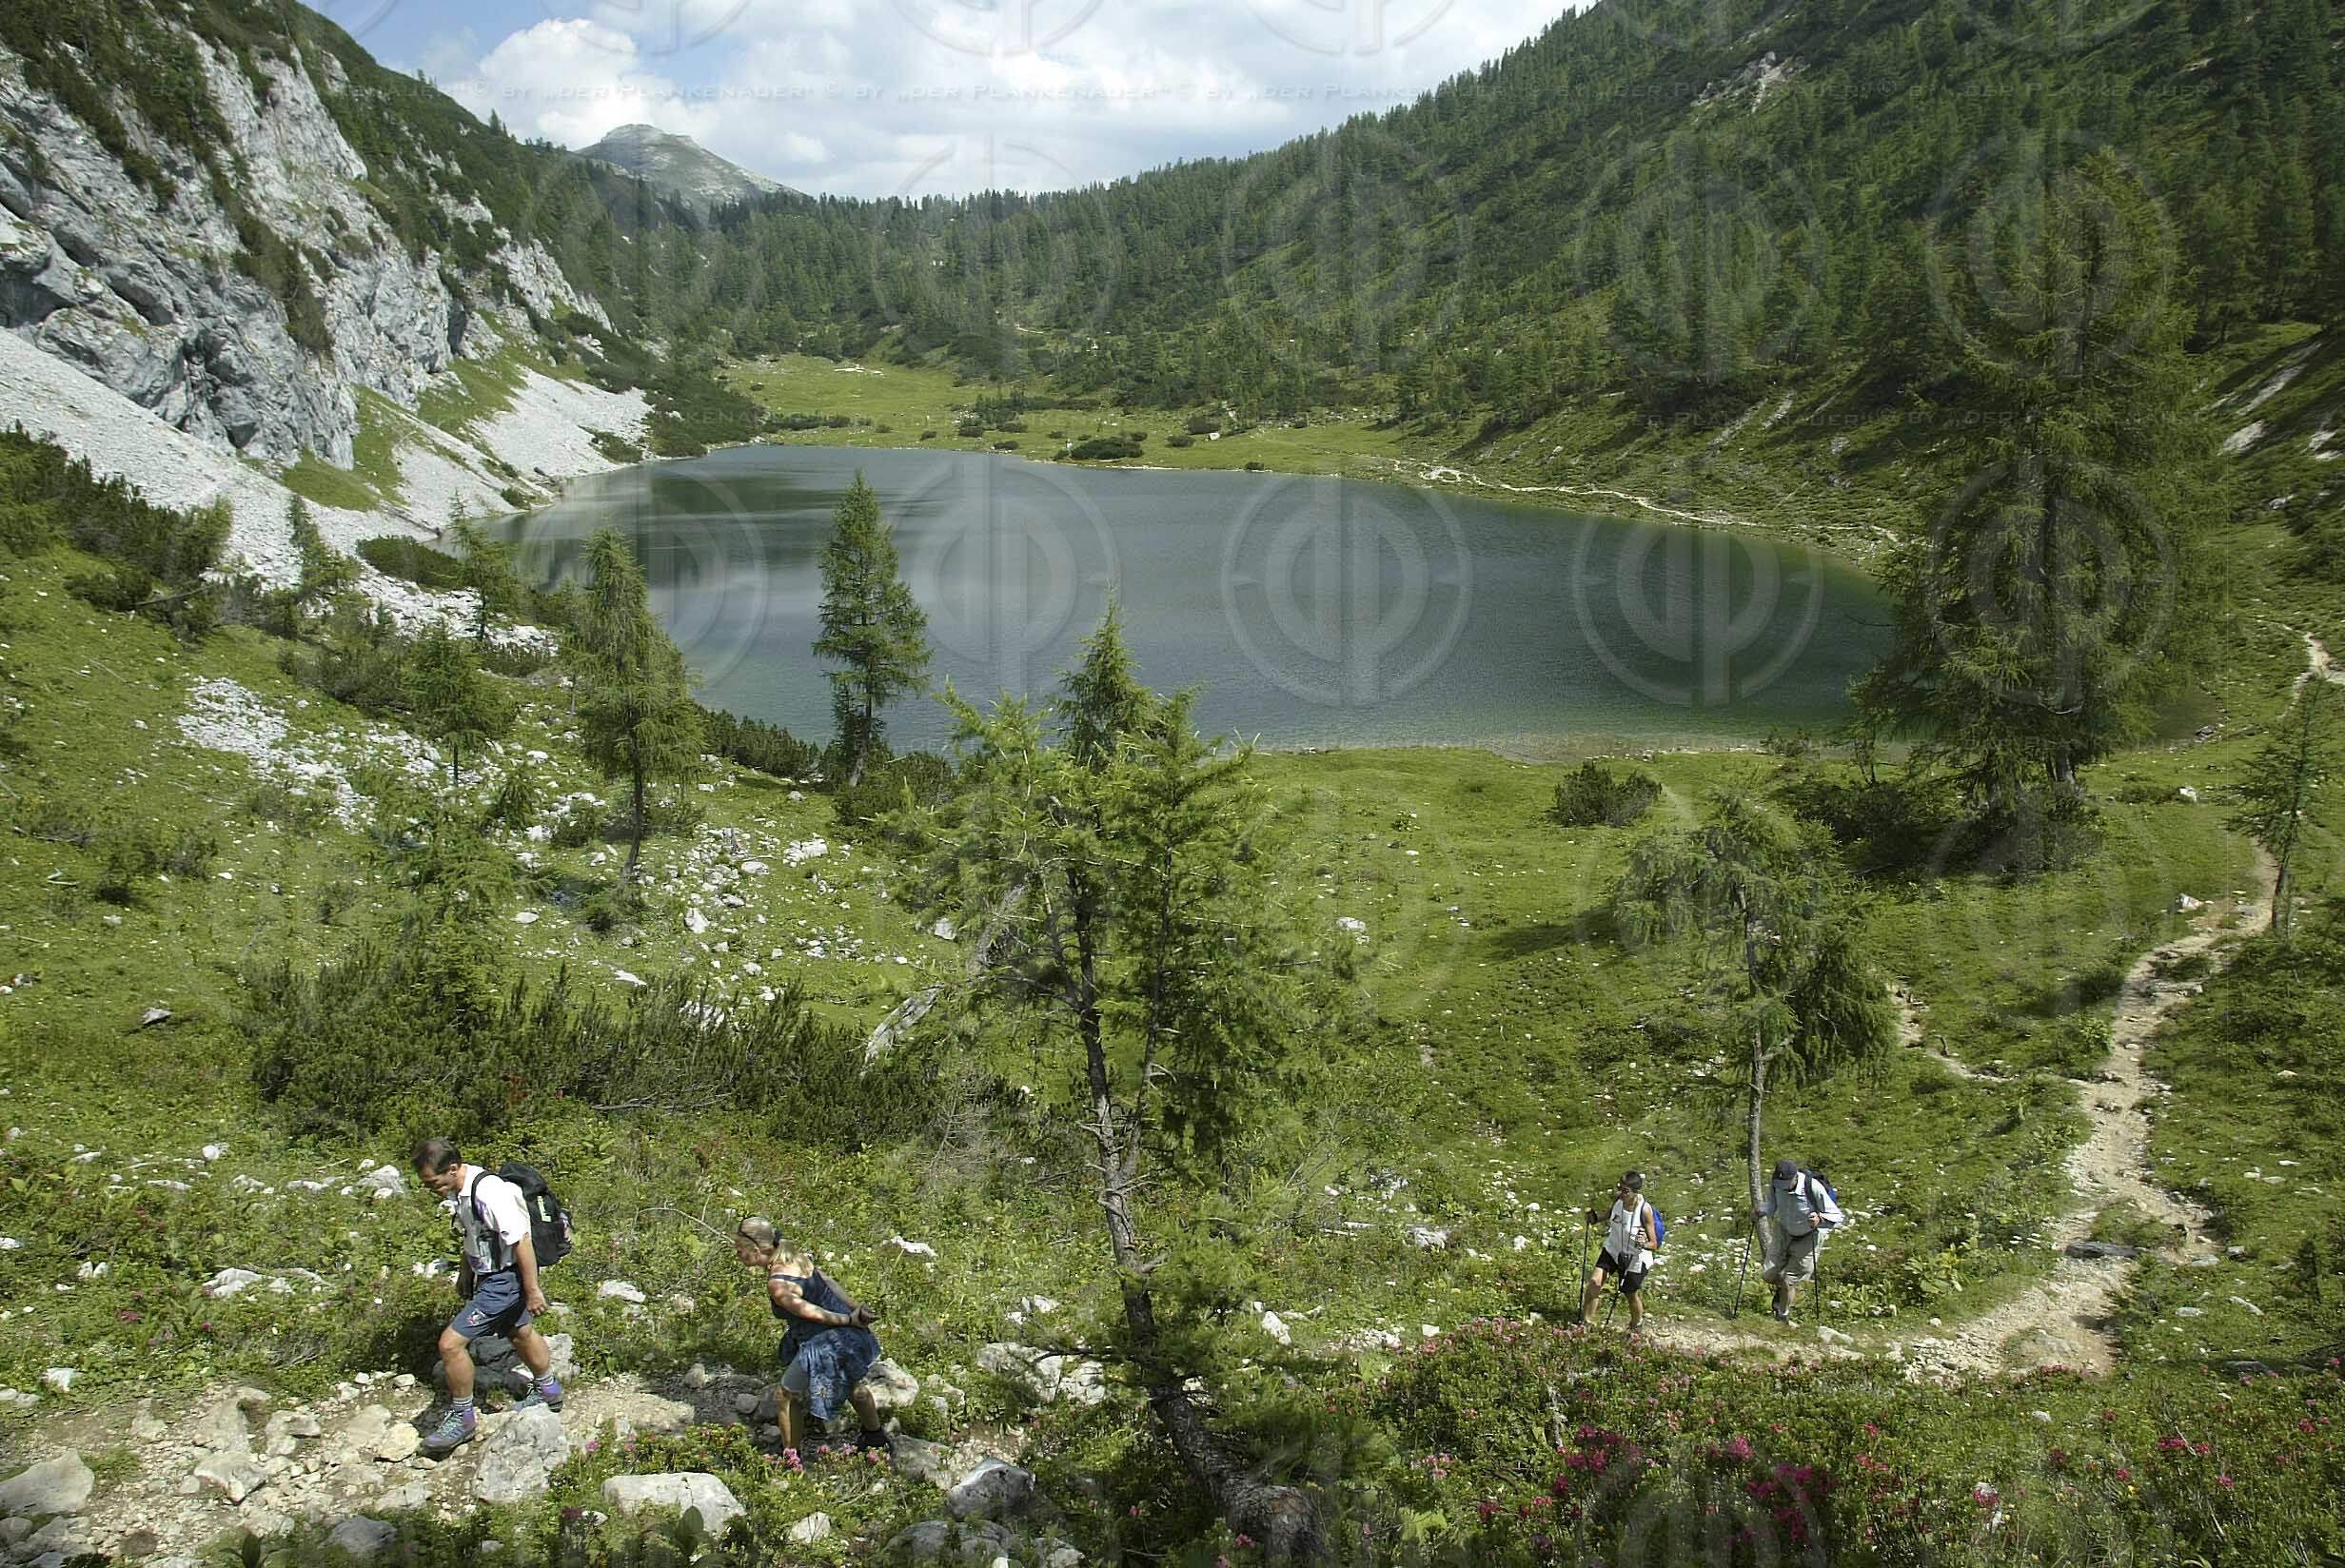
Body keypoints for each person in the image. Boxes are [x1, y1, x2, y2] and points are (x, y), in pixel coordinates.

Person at [412, 1139, 562, 1455]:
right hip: (490, 1277)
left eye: (433, 1182)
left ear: (452, 1169)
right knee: (518, 1331)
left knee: (450, 1345)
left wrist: (533, 1290)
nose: (430, 1188)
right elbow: (473, 1234)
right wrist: (465, 1274)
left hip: (503, 1280)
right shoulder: (462, 1192)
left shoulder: (489, 1192)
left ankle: (462, 1418)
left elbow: (521, 1240)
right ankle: (549, 1390)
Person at [733, 1217, 887, 1454]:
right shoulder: (794, 1254)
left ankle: (792, 1459)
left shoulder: (778, 1284)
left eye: (740, 1249)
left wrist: (849, 1319)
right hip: (842, 1331)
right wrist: (853, 1309)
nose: (738, 1254)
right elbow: (828, 1282)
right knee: (851, 1385)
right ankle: (876, 1438)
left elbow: (811, 1313)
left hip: (825, 1340)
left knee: (785, 1395)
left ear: (756, 1249)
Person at [1754, 1156, 1842, 1323]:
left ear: (1794, 1178)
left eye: (1785, 1184)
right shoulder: (1775, 1185)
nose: (1782, 1188)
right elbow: (1772, 1205)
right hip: (1784, 1231)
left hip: (1808, 1236)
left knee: (1789, 1280)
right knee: (1768, 1275)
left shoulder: (1812, 1187)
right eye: (1779, 1184)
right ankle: (1782, 1293)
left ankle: (1782, 1316)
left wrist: (1820, 1219)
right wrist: (1762, 1211)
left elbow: (1837, 1215)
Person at [1579, 1170, 1658, 1331]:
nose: (1621, 1192)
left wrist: (1643, 1243)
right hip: (1613, 1250)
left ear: (1635, 1192)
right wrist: (1595, 1219)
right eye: (1619, 1187)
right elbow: (1610, 1215)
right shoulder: (1618, 1199)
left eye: (1625, 1190)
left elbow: (1653, 1244)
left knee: (1629, 1293)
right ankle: (1586, 1323)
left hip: (1635, 1257)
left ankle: (1636, 1325)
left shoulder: (1644, 1210)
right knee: (1594, 1282)